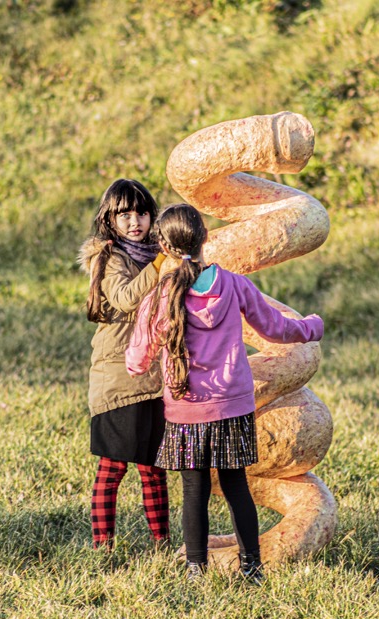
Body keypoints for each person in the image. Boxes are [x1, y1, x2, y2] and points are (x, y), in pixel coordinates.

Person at [126, 204, 323, 581]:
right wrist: (311, 327)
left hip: (186, 411)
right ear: (204, 238)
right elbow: (275, 328)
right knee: (236, 486)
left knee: (194, 490)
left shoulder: (161, 295)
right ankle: (252, 567)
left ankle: (195, 569)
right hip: (232, 407)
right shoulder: (234, 284)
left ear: (165, 247)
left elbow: (137, 357)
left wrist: (139, 364)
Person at [78, 179, 169, 549]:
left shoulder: (155, 253)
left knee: (153, 468)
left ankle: (162, 543)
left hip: (153, 375)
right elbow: (127, 297)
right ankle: (103, 546)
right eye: (125, 214)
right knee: (113, 467)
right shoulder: (111, 257)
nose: (135, 221)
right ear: (109, 219)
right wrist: (162, 262)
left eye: (142, 212)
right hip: (117, 375)